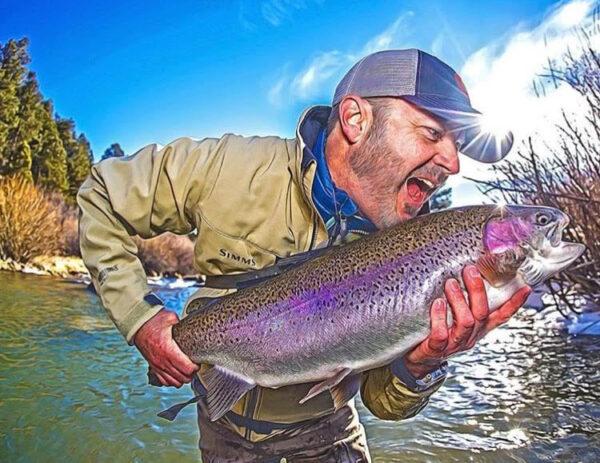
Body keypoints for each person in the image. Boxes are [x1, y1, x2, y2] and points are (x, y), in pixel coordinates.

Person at [77, 49, 532, 462]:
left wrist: (422, 363)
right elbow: (102, 195)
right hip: (223, 432)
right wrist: (140, 318)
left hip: (330, 435)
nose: (452, 164)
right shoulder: (229, 168)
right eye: (433, 133)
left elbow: (382, 402)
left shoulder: (426, 245)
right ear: (356, 119)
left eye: (458, 146)